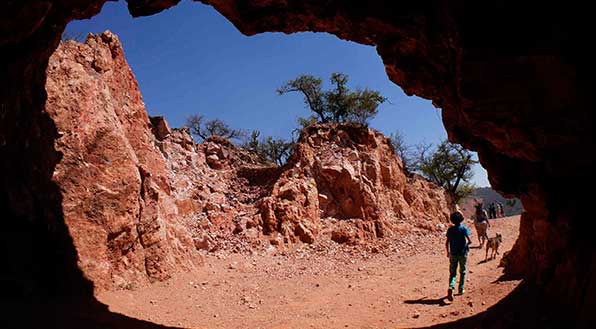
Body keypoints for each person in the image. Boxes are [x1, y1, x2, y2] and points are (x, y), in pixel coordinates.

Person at [445, 211, 472, 301]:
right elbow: (470, 241)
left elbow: (447, 243)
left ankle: (451, 287)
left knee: (452, 273)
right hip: (463, 253)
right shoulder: (463, 229)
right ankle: (461, 289)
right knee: (462, 271)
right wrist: (467, 246)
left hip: (453, 253)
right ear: (461, 220)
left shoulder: (450, 230)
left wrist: (448, 252)